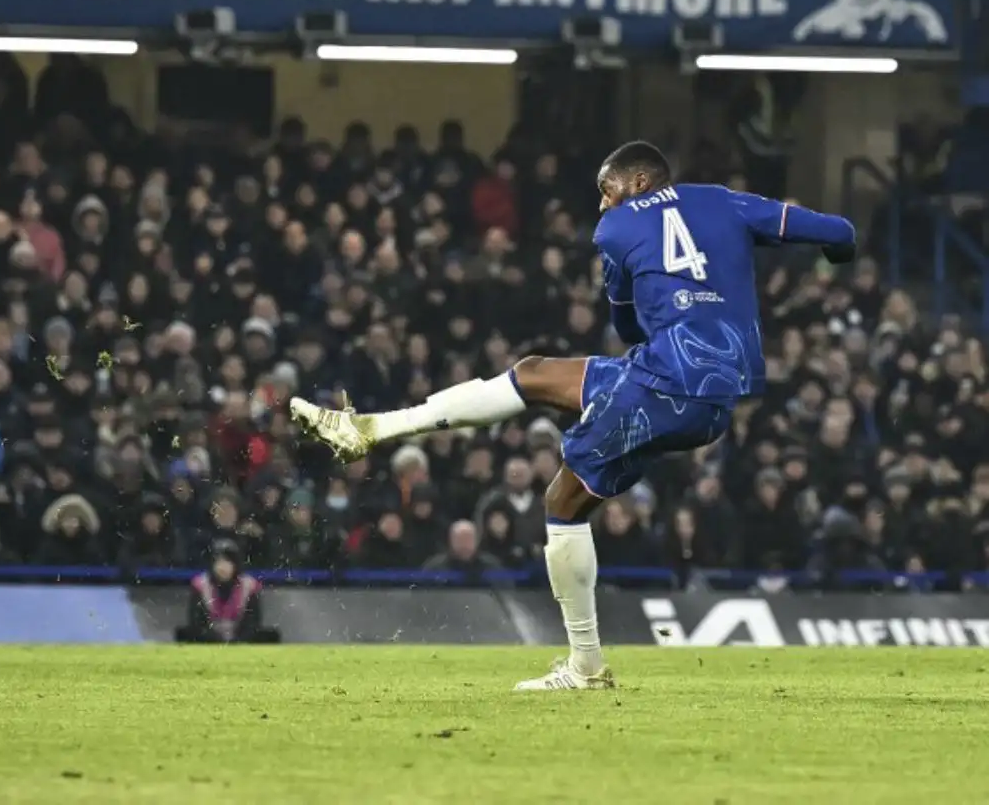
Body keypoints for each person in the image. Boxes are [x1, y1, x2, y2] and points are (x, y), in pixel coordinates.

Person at [293, 140, 855, 690]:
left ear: (638, 184)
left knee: (561, 502)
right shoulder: (726, 201)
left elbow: (628, 327)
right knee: (535, 372)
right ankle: (372, 427)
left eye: (606, 191)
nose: (602, 205)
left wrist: (644, 288)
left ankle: (585, 665)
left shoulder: (615, 228)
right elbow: (838, 233)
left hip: (667, 385)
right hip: (707, 388)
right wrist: (834, 261)